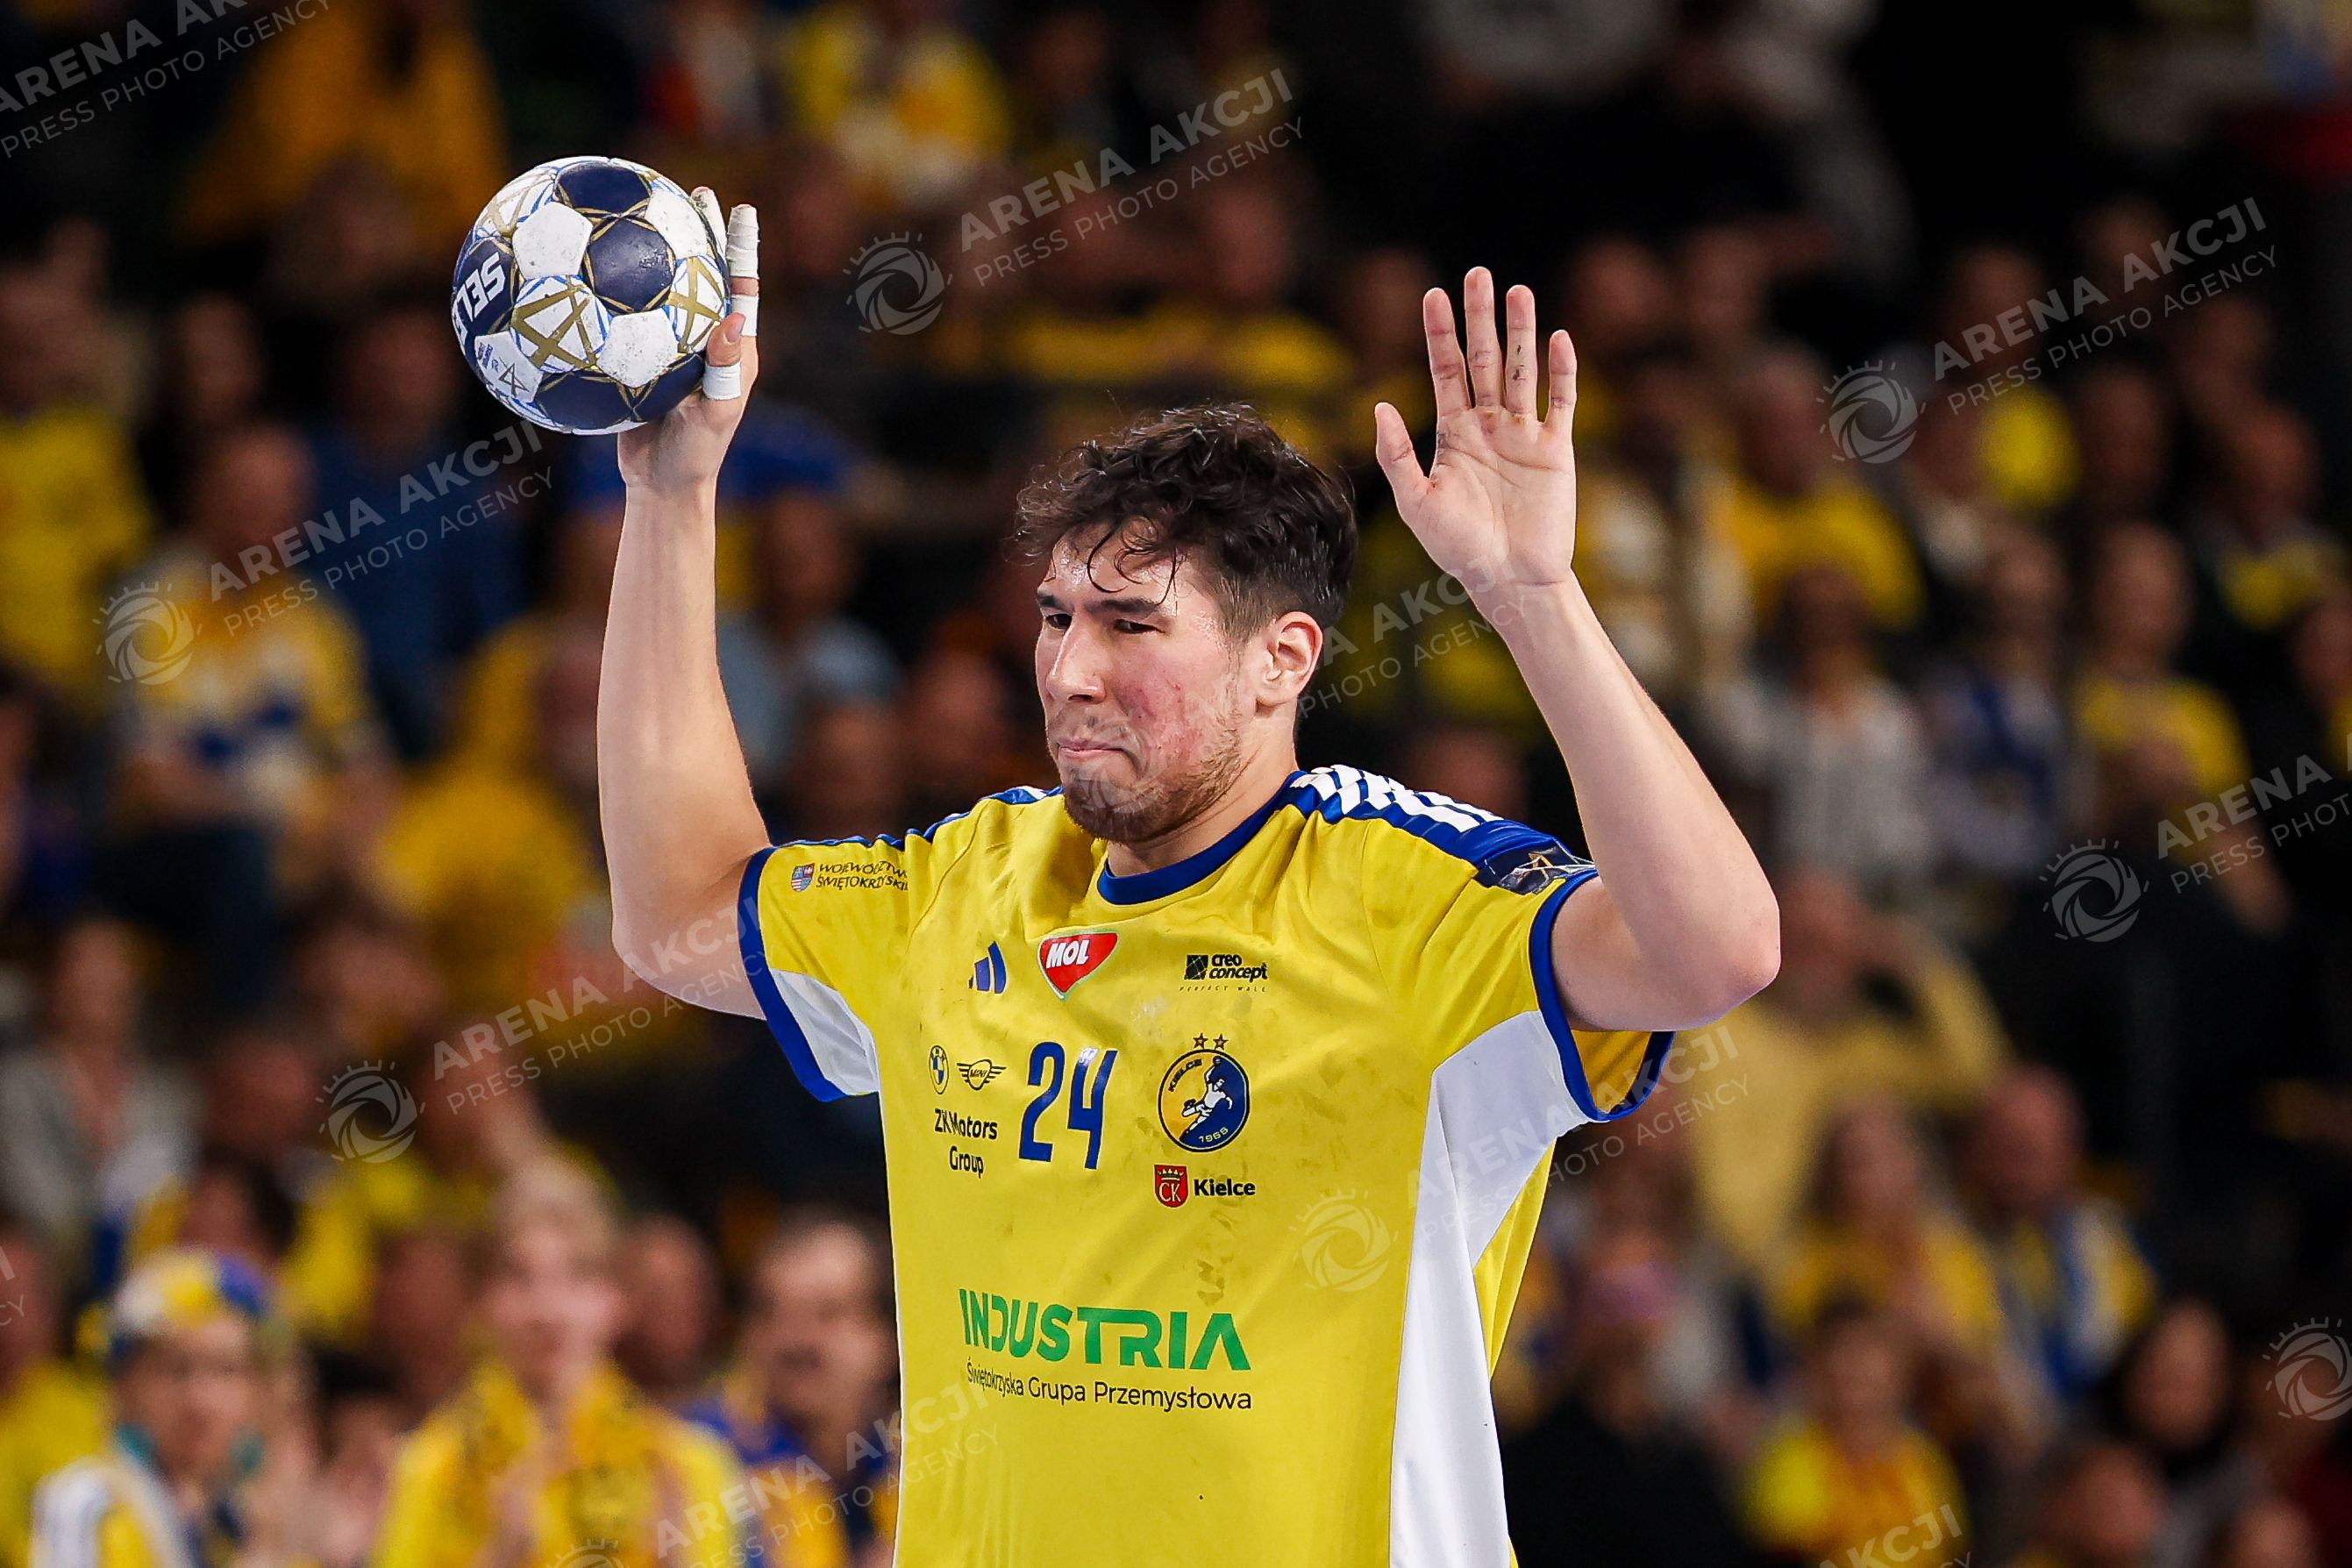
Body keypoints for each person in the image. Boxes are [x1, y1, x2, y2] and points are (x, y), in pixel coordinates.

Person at [598, 198, 1778, 1561]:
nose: (1067, 670)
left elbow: (1716, 951)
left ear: (1282, 660)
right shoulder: (965, 884)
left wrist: (1529, 596)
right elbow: (676, 915)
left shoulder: (1407, 902)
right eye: (1055, 617)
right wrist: (671, 500)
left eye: (1129, 623)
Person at [371, 1165, 747, 1568]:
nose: (546, 1310)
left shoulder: (690, 1464)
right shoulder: (427, 1468)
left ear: (618, 1298)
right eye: (519, 1277)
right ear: (482, 1300)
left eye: (578, 1275)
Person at [26, 1249, 290, 1568]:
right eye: (176, 1370)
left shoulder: (243, 1522)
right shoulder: (88, 1504)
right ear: (126, 1386)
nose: (201, 1401)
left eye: (226, 1370)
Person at [686, 1215, 899, 1568]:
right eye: (769, 1312)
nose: (794, 1339)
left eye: (828, 1313)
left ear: (888, 1338)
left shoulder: (920, 1462)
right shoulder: (695, 1456)